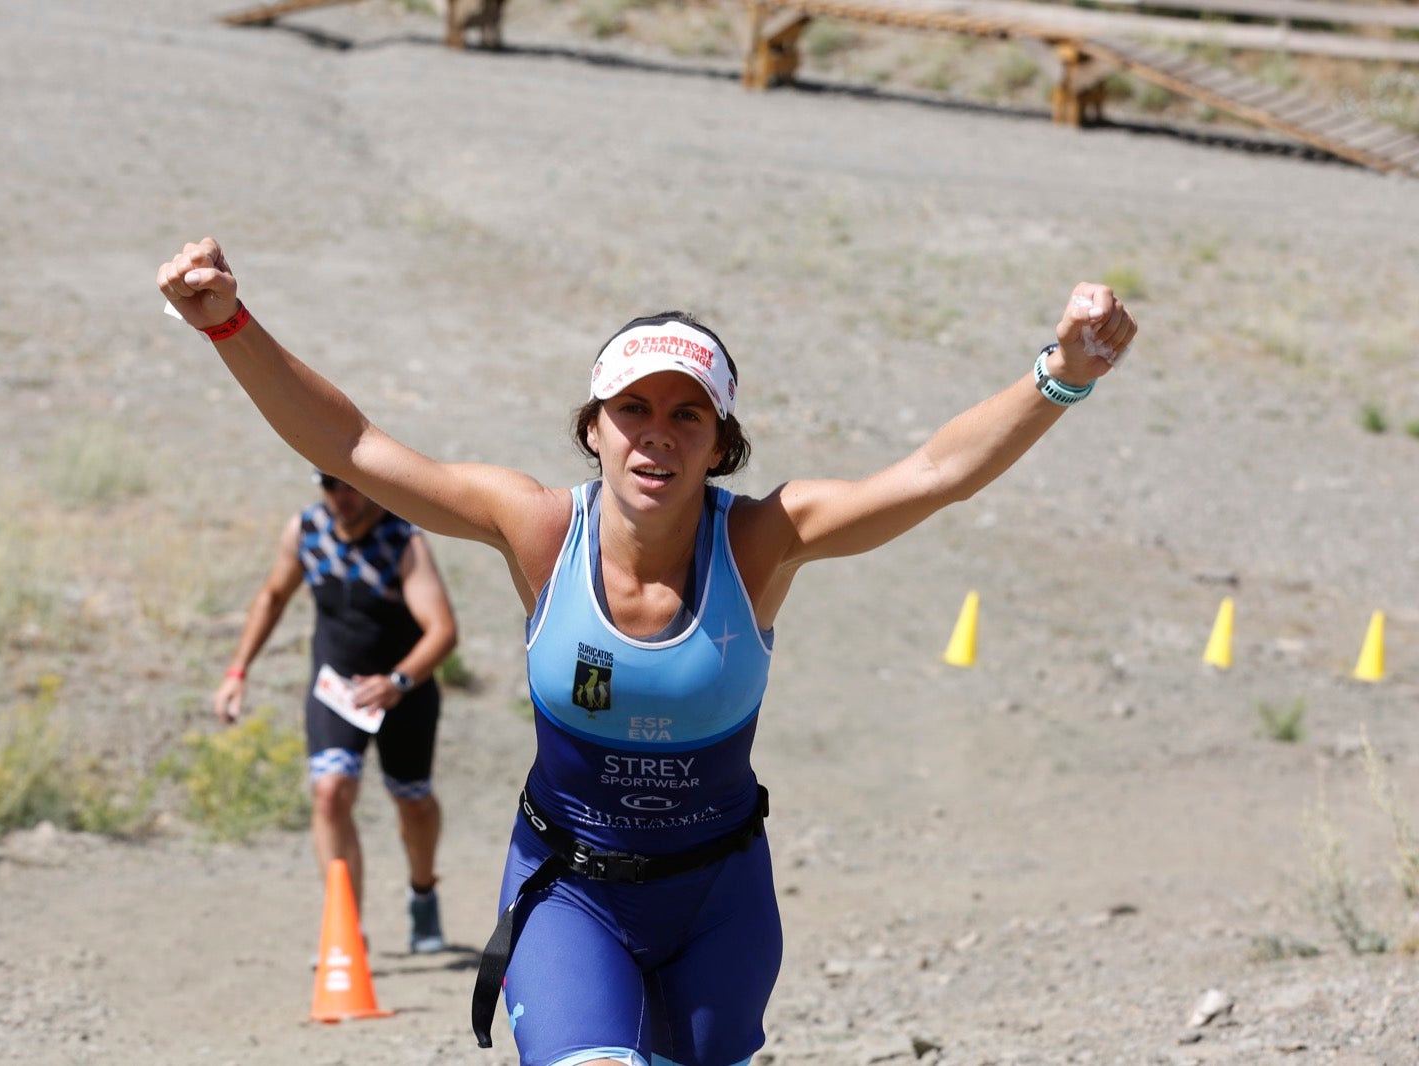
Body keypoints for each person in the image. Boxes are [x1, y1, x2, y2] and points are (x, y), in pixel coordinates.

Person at [159, 237, 1136, 1066]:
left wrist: (1060, 376)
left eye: (686, 414)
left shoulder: (761, 541)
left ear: (720, 442)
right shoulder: (538, 531)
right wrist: (227, 326)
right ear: (592, 428)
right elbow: (356, 443)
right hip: (570, 891)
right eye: (632, 409)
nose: (655, 436)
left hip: (719, 902)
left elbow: (931, 474)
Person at [213, 466, 460, 955]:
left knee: (412, 799)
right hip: (337, 691)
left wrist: (398, 681)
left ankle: (423, 892)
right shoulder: (307, 530)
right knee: (329, 792)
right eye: (330, 485)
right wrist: (237, 671)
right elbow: (273, 596)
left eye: (351, 485)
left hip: (402, 691)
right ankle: (344, 927)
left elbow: (442, 630)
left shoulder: (402, 539)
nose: (341, 496)